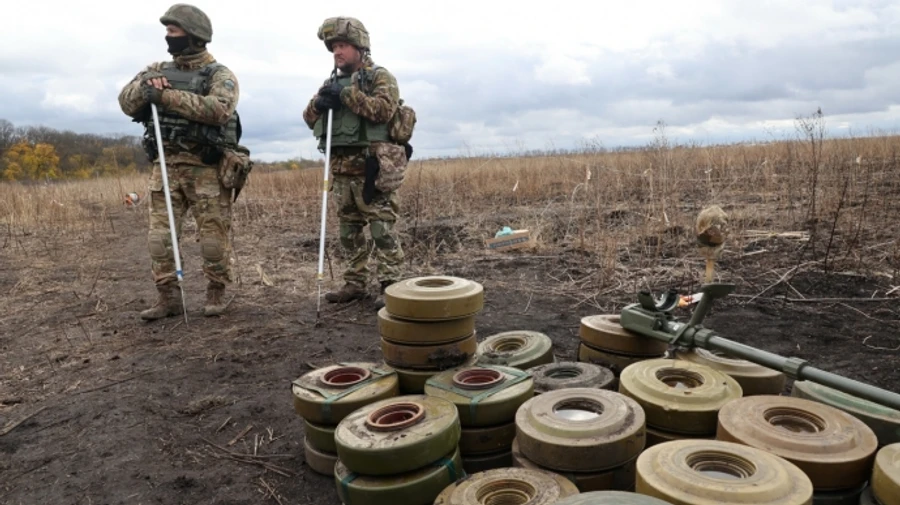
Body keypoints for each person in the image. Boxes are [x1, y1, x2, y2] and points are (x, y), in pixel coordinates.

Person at [118, 3, 249, 319]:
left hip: (205, 169)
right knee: (160, 239)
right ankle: (168, 298)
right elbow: (125, 102)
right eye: (166, 31)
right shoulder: (157, 70)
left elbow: (219, 110)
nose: (168, 37)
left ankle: (216, 293)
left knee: (213, 239)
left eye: (173, 31)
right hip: (165, 167)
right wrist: (146, 86)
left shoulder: (219, 75)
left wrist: (166, 97)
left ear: (193, 36)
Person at [303, 16, 412, 309]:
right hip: (340, 170)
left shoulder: (379, 77)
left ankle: (392, 286)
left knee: (382, 229)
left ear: (360, 47)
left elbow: (383, 111)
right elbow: (308, 117)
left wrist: (347, 95)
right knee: (349, 232)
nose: (337, 52)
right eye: (334, 47)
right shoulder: (330, 83)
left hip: (372, 168)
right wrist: (318, 104)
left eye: (343, 46)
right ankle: (355, 283)